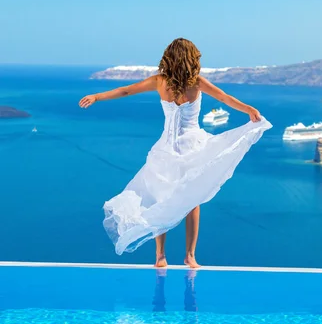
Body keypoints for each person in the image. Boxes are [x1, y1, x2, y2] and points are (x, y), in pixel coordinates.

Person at [79, 38, 272, 268]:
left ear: (169, 58)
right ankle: (190, 256)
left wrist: (97, 96)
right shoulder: (197, 83)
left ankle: (160, 256)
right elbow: (223, 98)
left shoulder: (160, 82)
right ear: (192, 59)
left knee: (161, 199)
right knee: (193, 200)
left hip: (167, 150)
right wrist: (248, 109)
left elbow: (125, 91)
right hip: (193, 147)